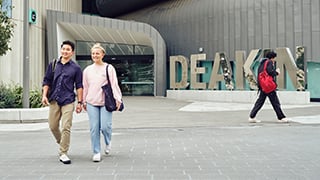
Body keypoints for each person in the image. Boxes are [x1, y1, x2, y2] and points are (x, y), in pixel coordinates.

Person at [42, 40, 83, 164]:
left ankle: (63, 152)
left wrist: (80, 102)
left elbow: (79, 86)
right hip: (54, 100)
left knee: (66, 126)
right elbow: (46, 81)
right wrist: (44, 95)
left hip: (68, 100)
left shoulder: (76, 68)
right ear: (61, 50)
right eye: (63, 49)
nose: (65, 51)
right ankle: (62, 142)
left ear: (72, 52)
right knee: (53, 126)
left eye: (68, 50)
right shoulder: (53, 64)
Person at [82, 43, 122, 162]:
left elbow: (114, 84)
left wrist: (118, 98)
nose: (95, 55)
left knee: (105, 126)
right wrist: (83, 101)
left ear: (103, 54)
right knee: (94, 128)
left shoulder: (109, 68)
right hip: (91, 102)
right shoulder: (87, 70)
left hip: (106, 102)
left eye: (97, 53)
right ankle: (96, 152)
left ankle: (108, 142)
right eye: (93, 53)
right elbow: (85, 86)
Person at [249, 51, 289, 123]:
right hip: (268, 87)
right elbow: (270, 72)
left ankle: (252, 116)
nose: (275, 59)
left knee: (260, 102)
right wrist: (277, 72)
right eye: (275, 58)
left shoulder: (261, 63)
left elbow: (260, 75)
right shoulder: (269, 62)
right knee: (275, 102)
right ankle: (281, 117)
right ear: (272, 57)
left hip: (263, 86)